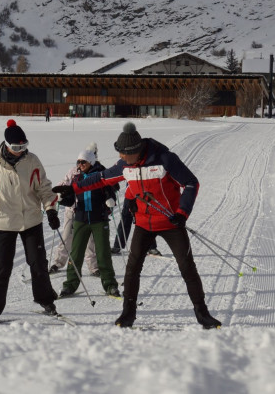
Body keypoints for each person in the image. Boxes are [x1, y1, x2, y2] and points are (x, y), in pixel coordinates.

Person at [53, 122, 222, 329]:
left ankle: (202, 313)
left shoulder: (165, 160)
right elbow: (101, 179)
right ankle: (128, 313)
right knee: (132, 269)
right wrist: (75, 188)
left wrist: (182, 212)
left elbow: (191, 183)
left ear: (135, 151)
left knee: (187, 267)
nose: (121, 157)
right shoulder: (126, 165)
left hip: (170, 222)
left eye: (124, 153)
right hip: (144, 223)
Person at [0, 119, 61, 323]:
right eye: (17, 147)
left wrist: (51, 210)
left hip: (31, 220)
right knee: (1, 267)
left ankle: (46, 301)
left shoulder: (32, 160)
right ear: (7, 146)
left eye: (24, 146)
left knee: (38, 263)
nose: (21, 150)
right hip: (4, 221)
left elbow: (44, 188)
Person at [57, 149, 120, 298]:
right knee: (76, 254)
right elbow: (72, 199)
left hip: (99, 219)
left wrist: (110, 200)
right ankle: (70, 285)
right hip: (81, 219)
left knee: (103, 254)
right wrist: (62, 199)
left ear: (91, 162)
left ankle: (110, 285)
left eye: (83, 161)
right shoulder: (77, 178)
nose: (80, 164)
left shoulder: (100, 176)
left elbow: (111, 191)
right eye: (78, 162)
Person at [50, 142, 99, 277]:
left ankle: (93, 267)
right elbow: (63, 183)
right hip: (72, 210)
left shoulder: (97, 171)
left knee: (90, 240)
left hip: (89, 210)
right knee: (66, 236)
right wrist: (60, 192)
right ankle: (58, 262)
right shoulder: (73, 171)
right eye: (79, 161)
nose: (81, 164)